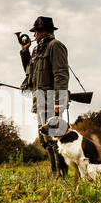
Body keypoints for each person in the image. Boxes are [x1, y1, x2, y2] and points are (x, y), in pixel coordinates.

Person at [19, 16, 69, 177]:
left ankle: (61, 174)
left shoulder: (55, 46)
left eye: (36, 32)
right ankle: (55, 173)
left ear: (44, 31)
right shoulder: (36, 50)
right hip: (39, 99)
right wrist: (25, 51)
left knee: (55, 139)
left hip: (50, 100)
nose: (33, 36)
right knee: (45, 140)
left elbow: (61, 75)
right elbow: (29, 71)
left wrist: (59, 102)